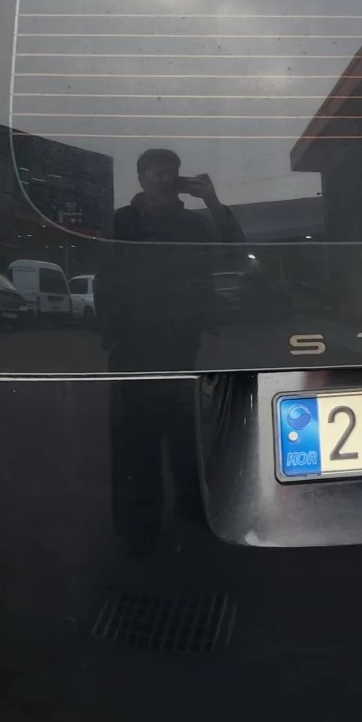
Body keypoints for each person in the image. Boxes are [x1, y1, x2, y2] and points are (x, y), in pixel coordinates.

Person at [101, 149, 244, 552]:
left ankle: (195, 521)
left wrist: (212, 201)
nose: (164, 179)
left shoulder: (195, 223)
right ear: (141, 178)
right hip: (132, 348)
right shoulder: (121, 222)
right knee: (134, 443)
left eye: (170, 173)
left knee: (189, 439)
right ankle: (137, 531)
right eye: (156, 173)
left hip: (185, 343)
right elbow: (103, 276)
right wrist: (110, 335)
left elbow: (236, 252)